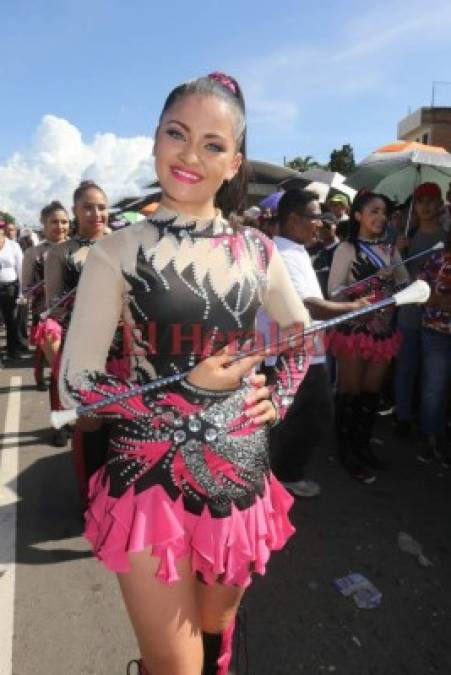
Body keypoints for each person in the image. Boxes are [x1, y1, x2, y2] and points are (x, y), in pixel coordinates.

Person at [59, 72, 312, 675]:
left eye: (213, 143)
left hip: (238, 480)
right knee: (175, 666)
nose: (191, 153)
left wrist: (279, 393)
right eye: (178, 133)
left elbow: (299, 336)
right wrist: (190, 390)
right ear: (155, 141)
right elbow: (77, 383)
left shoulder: (257, 250)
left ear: (234, 163)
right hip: (148, 484)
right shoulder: (116, 250)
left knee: (213, 638)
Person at [266, 189, 369, 498]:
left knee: (296, 416)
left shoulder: (292, 250)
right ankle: (284, 475)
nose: (322, 225)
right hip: (296, 354)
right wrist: (355, 308)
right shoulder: (284, 253)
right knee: (312, 415)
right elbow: (307, 304)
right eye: (316, 217)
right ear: (294, 219)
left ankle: (277, 474)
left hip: (300, 351)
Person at [328, 191, 409, 484]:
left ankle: (363, 446)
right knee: (350, 392)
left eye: (384, 212)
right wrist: (368, 284)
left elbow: (404, 285)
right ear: (359, 215)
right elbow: (333, 292)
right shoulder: (347, 249)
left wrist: (395, 276)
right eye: (373, 211)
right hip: (355, 329)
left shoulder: (390, 249)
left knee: (370, 394)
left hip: (383, 331)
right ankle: (347, 451)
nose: (380, 217)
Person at [44, 182, 113, 471]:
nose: (95, 213)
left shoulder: (122, 244)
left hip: (123, 347)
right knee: (92, 424)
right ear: (75, 211)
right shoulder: (60, 253)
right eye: (87, 207)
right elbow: (54, 307)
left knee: (124, 423)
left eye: (101, 206)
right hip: (83, 348)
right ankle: (93, 496)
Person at [394, 182, 447, 437]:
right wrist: (399, 253)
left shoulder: (447, 239)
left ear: (439, 204)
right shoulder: (407, 237)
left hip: (437, 317)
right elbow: (396, 277)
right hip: (409, 314)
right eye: (420, 201)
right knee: (406, 368)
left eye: (430, 201)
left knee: (432, 378)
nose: (425, 206)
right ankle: (402, 416)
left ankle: (426, 424)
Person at [23, 201, 70, 390]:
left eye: (64, 222)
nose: (60, 227)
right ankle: (42, 377)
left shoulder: (76, 248)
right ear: (44, 224)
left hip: (74, 309)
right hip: (45, 308)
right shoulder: (33, 252)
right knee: (44, 350)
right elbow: (26, 287)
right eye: (54, 222)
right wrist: (42, 287)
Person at [416, 229, 451, 465]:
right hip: (437, 333)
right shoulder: (438, 258)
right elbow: (419, 293)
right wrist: (440, 301)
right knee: (434, 389)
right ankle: (430, 440)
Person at [0, 220, 23, 362]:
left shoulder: (14, 246)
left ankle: (12, 351)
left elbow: (20, 269)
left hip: (10, 288)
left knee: (12, 321)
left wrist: (21, 292)